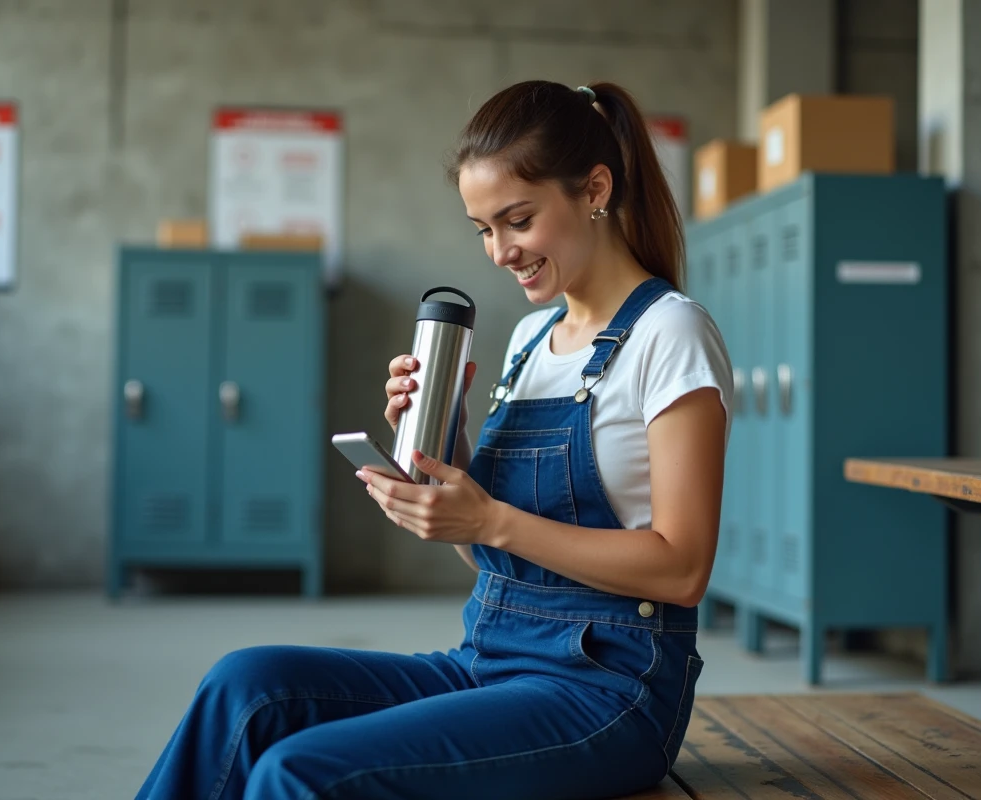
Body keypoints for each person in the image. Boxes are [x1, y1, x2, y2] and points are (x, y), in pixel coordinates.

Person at [135, 79, 732, 800]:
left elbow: (681, 568)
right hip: (489, 659)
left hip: (606, 694)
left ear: (595, 189)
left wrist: (491, 518)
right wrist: (438, 458)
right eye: (483, 229)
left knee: (299, 774)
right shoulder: (531, 339)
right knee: (247, 687)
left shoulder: (671, 333)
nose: (500, 251)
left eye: (518, 220)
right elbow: (486, 551)